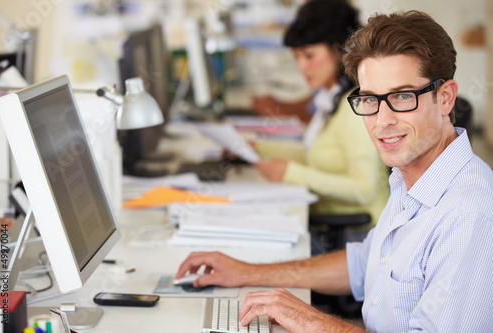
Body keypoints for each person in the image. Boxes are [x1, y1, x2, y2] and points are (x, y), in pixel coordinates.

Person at [176, 11, 493, 332]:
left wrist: (307, 318)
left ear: (445, 98)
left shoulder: (468, 216)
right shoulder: (408, 177)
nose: (382, 121)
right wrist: (245, 272)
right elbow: (360, 265)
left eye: (402, 96)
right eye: (370, 99)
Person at [252, 0, 389, 225]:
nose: (301, 67)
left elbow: (364, 190)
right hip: (330, 223)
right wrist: (257, 149)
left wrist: (290, 173)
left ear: (338, 51)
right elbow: (315, 156)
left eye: (309, 56)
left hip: (359, 235)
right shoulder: (330, 98)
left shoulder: (357, 108)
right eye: (296, 57)